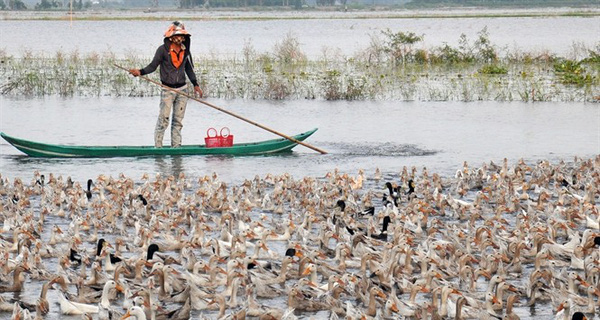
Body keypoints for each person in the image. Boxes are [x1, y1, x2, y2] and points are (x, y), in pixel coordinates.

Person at [129, 21, 203, 148]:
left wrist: (195, 84)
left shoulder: (185, 51)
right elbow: (152, 66)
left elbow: (188, 69)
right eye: (178, 36)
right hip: (167, 90)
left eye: (182, 36)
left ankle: (176, 147)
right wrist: (140, 72)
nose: (180, 38)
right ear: (171, 37)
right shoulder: (162, 50)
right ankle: (158, 147)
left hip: (182, 90)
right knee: (164, 119)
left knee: (178, 121)